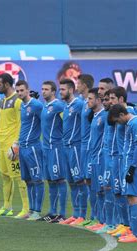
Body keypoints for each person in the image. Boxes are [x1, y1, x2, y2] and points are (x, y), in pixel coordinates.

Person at [106, 86, 137, 238]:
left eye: (118, 120)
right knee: (130, 195)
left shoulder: (135, 122)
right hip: (126, 162)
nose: (118, 123)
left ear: (122, 114)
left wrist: (132, 168)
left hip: (133, 164)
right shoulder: (130, 124)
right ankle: (132, 230)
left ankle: (136, 233)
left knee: (133, 196)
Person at [0, 73, 30, 218]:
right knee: (5, 176)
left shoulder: (17, 101)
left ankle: (26, 209)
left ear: (7, 85)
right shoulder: (1, 101)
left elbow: (21, 123)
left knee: (18, 176)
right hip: (2, 145)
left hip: (12, 146)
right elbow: (2, 124)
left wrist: (15, 144)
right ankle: (7, 207)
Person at [38, 81, 68, 223]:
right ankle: (52, 212)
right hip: (46, 148)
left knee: (59, 179)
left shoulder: (58, 106)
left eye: (46, 89)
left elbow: (66, 122)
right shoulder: (45, 106)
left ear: (53, 91)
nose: (43, 91)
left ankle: (62, 213)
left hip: (56, 147)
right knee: (50, 180)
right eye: (42, 89)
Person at [15, 80, 45, 221]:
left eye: (22, 90)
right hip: (23, 147)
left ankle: (37, 211)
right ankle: (31, 209)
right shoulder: (22, 105)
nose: (19, 93)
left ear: (28, 90)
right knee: (27, 180)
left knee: (37, 179)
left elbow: (45, 122)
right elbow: (24, 126)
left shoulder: (36, 105)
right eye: (18, 91)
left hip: (33, 147)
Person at [58, 78, 85, 225]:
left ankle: (82, 215)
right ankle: (75, 214)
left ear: (70, 90)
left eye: (62, 89)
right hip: (66, 148)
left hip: (76, 147)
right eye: (59, 89)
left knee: (79, 181)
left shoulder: (79, 104)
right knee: (71, 182)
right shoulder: (66, 106)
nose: (60, 92)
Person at [69, 74, 95, 226]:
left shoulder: (91, 104)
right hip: (81, 146)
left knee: (90, 182)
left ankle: (93, 216)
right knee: (82, 180)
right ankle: (81, 215)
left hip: (90, 147)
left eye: (78, 84)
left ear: (85, 85)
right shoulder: (82, 103)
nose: (76, 86)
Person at [84, 88, 109, 233]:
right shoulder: (94, 115)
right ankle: (100, 220)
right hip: (93, 158)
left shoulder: (105, 116)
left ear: (98, 100)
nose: (88, 101)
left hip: (101, 158)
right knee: (97, 190)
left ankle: (106, 221)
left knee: (103, 190)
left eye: (90, 99)